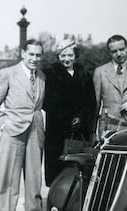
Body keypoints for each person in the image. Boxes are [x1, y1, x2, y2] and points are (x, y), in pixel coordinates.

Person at [0, 39, 45, 211]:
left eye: (38, 55)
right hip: (13, 132)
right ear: (23, 53)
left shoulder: (42, 76)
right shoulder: (8, 73)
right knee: (9, 179)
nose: (34, 58)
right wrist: (3, 124)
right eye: (31, 54)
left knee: (35, 180)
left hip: (35, 132)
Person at [42, 39, 96, 186]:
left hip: (80, 131)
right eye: (63, 55)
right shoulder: (50, 74)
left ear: (75, 55)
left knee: (79, 170)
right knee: (57, 171)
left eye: (70, 55)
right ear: (58, 57)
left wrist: (82, 119)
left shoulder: (85, 75)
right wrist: (68, 119)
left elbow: (91, 103)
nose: (67, 59)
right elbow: (47, 103)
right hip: (57, 132)